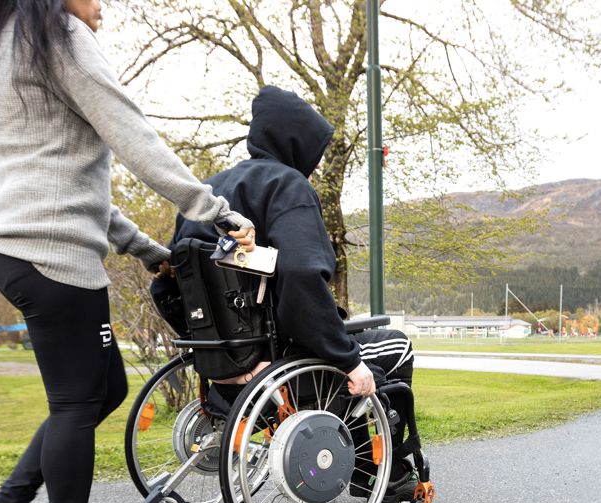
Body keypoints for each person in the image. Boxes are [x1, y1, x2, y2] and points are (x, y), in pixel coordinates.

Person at [0, 0, 254, 503]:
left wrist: (147, 250)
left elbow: (75, 186)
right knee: (75, 404)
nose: (103, 6)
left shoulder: (13, 41)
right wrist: (215, 212)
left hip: (22, 249)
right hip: (53, 255)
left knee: (103, 390)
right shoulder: (55, 32)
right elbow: (131, 131)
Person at [151, 85, 415, 413]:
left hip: (224, 373)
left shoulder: (208, 192)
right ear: (298, 143)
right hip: (280, 367)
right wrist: (348, 360)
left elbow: (165, 284)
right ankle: (388, 463)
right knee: (397, 345)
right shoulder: (287, 186)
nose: (315, 164)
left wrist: (212, 351)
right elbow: (301, 274)